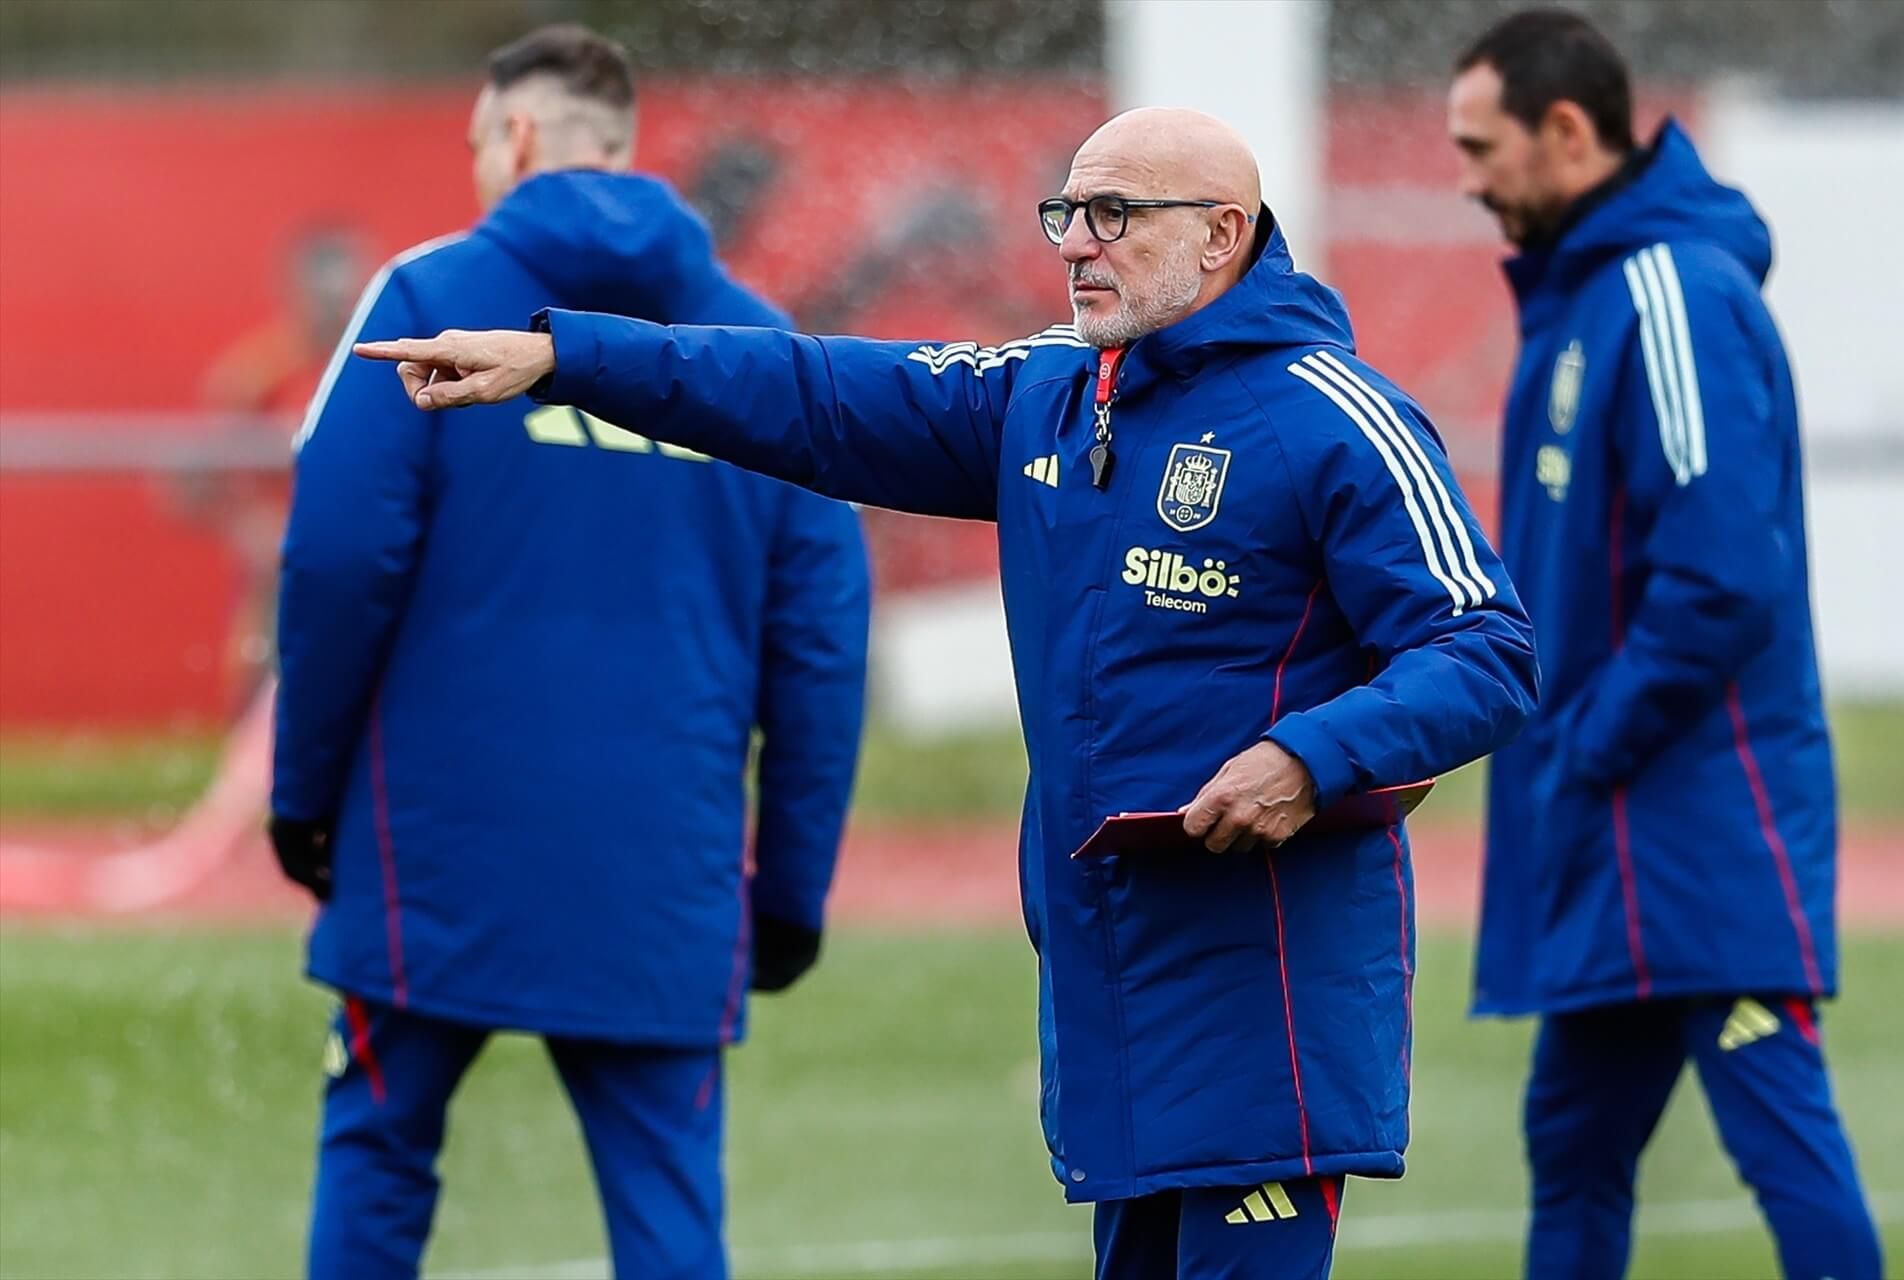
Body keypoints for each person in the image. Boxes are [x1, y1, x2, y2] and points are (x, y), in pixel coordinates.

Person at [357, 106, 1539, 1280]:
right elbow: (808, 392)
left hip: (1263, 999)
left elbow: (1486, 647)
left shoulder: (1335, 416)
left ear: (1224, 234)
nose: (1075, 241)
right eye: (1066, 212)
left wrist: (1309, 756)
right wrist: (567, 355)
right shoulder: (1050, 393)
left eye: (1114, 214)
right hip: (1109, 992)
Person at [270, 25, 870, 1280]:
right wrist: (791, 888)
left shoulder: (426, 302)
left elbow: (334, 566)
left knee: (378, 1156)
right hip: (663, 864)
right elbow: (820, 646)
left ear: (520, 138)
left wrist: (302, 800)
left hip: (431, 845)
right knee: (665, 1205)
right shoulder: (769, 350)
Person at [1446, 11, 1882, 1280]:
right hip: (1608, 822)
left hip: (1699, 819)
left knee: (1777, 1129)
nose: (1467, 179)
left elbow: (1724, 577)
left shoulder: (1673, 290)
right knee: (1571, 1143)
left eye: (1483, 146)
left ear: (1568, 132)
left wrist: (1586, 739)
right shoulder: (1585, 296)